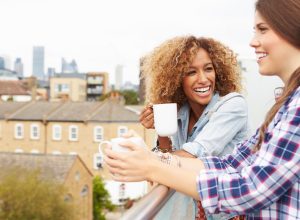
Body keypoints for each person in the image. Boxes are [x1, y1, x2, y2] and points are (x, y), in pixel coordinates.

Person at [105, 0, 300, 218]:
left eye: (262, 30)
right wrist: (154, 151)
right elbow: (232, 163)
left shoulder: (244, 105)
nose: (253, 42)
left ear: (291, 28)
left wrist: (151, 165)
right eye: (191, 72)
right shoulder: (286, 105)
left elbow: (250, 189)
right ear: (177, 80)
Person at [139, 36, 249, 220]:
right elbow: (171, 159)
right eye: (191, 72)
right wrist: (162, 132)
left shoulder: (233, 105)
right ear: (177, 79)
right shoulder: (181, 112)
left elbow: (197, 153)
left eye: (208, 69)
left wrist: (146, 164)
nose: (203, 79)